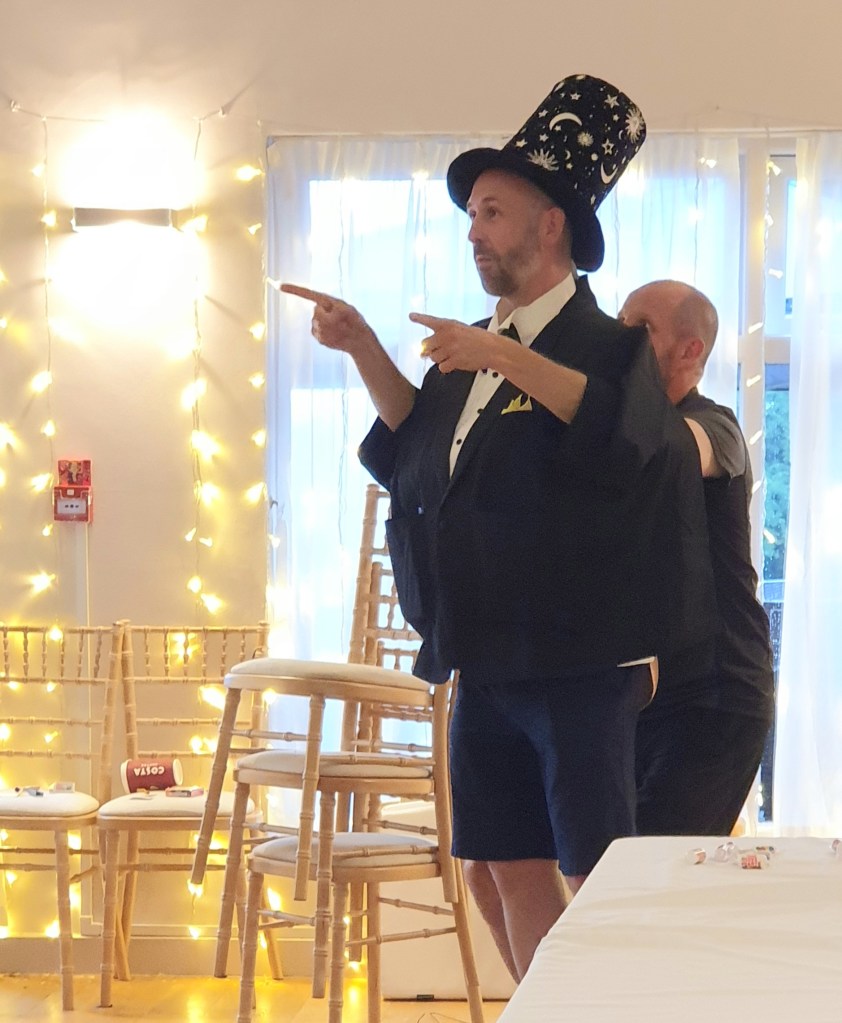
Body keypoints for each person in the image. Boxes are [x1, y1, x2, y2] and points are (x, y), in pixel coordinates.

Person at [282, 75, 717, 982]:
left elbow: (626, 440)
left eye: (490, 211)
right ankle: (550, 1006)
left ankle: (610, 1004)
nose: (473, 230)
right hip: (484, 654)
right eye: (470, 215)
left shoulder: (610, 346)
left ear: (549, 226)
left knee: (594, 875)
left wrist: (502, 354)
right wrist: (362, 346)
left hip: (580, 664)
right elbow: (416, 449)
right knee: (498, 864)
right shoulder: (472, 350)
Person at [619, 280, 775, 835]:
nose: (620, 337)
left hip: (720, 691)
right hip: (650, 693)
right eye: (620, 321)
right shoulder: (622, 434)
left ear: (690, 350)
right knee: (618, 865)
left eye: (640, 327)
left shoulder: (717, 427)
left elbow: (679, 449)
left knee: (652, 866)